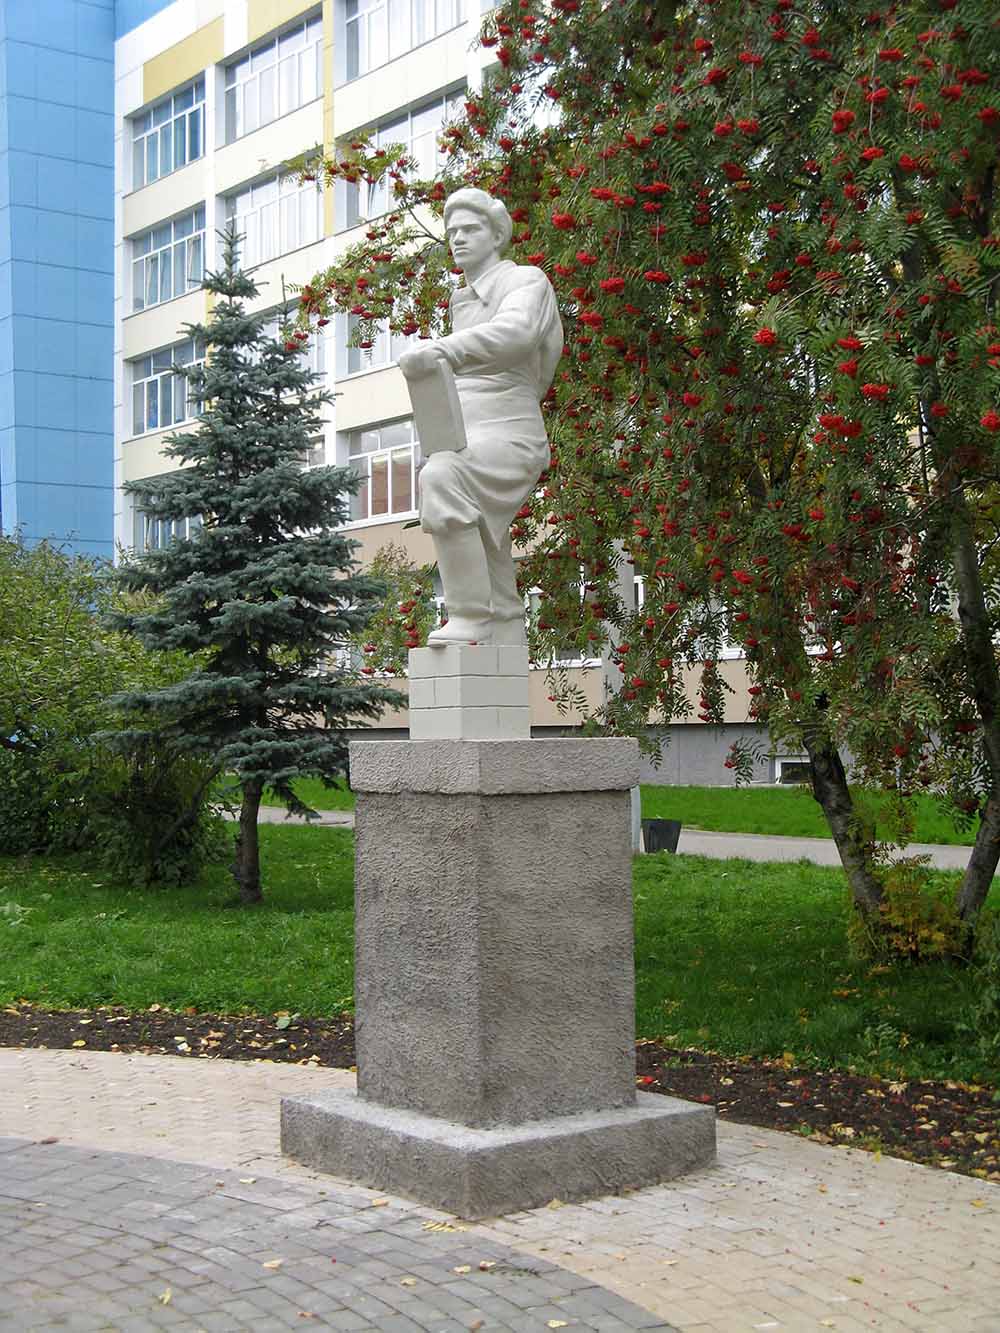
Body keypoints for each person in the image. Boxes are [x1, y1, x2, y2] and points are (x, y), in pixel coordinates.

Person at [398, 187, 563, 645]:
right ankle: (504, 620)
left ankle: (470, 616)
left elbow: (517, 334)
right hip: (463, 428)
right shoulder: (461, 301)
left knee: (443, 478)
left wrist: (442, 351)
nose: (459, 239)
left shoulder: (526, 282)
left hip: (509, 431)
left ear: (496, 234)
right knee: (479, 528)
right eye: (452, 232)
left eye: (470, 229)